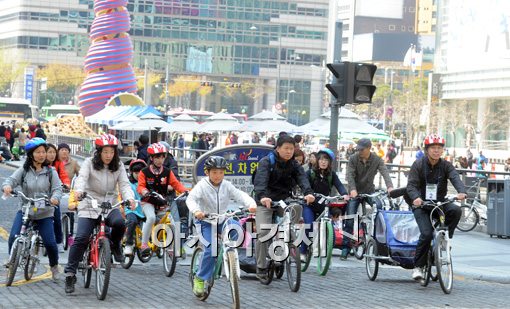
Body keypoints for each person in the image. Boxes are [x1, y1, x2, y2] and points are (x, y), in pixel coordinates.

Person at [64, 134, 135, 294]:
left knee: (120, 224)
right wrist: (79, 191)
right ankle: (70, 273)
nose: (109, 155)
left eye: (111, 152)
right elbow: (81, 179)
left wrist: (130, 198)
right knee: (82, 237)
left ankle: (115, 246)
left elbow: (124, 184)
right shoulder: (89, 163)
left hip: (109, 203)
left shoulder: (119, 166)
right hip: (89, 202)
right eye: (105, 152)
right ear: (99, 152)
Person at [187, 156, 257, 296]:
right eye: (214, 172)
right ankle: (200, 278)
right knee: (211, 250)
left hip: (222, 219)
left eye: (221, 172)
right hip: (205, 221)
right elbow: (191, 199)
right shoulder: (201, 186)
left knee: (237, 228)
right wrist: (197, 211)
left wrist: (251, 204)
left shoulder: (226, 185)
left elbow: (240, 195)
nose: (218, 176)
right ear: (207, 172)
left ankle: (229, 253)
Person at [253, 134, 315, 281]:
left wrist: (308, 193)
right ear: (278, 148)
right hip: (265, 201)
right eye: (286, 148)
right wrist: (263, 197)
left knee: (297, 207)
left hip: (283, 201)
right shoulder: (266, 162)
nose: (289, 152)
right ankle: (261, 267)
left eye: (291, 149)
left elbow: (302, 179)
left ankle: (287, 234)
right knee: (263, 233)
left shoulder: (294, 164)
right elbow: (260, 182)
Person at [406, 134, 466, 280]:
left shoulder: (446, 165)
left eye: (439, 148)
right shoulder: (418, 164)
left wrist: (461, 191)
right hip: (422, 205)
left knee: (455, 210)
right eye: (433, 148)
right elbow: (411, 185)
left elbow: (455, 178)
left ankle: (445, 239)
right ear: (427, 150)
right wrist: (416, 198)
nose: (436, 151)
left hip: (439, 203)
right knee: (426, 234)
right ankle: (418, 267)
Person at [2, 137, 63, 281]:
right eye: (38, 152)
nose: (42, 155)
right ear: (31, 154)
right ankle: (12, 261)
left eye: (43, 152)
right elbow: (11, 180)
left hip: (44, 213)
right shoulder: (24, 170)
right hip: (26, 210)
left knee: (50, 242)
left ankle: (54, 266)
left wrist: (55, 198)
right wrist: (7, 186)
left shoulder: (50, 172)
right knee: (13, 236)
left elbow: (57, 189)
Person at [343, 138, 394, 259]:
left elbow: (385, 172)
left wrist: (390, 187)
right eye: (358, 149)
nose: (359, 151)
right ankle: (346, 247)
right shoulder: (353, 158)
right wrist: (352, 189)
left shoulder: (376, 159)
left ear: (369, 148)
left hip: (369, 191)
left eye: (362, 149)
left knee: (380, 209)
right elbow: (349, 175)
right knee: (349, 218)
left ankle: (378, 242)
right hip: (355, 191)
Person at [136, 142, 188, 255]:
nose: (160, 160)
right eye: (157, 157)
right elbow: (140, 186)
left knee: (173, 223)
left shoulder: (167, 172)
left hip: (162, 202)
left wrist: (186, 191)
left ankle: (170, 246)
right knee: (151, 218)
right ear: (151, 158)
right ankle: (144, 245)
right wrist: (144, 191)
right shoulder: (144, 172)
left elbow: (176, 184)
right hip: (148, 201)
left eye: (162, 157)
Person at [300, 148, 349, 261]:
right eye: (321, 159)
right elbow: (305, 185)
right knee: (309, 226)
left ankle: (326, 250)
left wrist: (345, 194)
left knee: (330, 227)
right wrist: (308, 195)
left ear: (329, 162)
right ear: (317, 161)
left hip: (324, 205)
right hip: (310, 205)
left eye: (326, 160)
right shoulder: (310, 173)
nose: (323, 162)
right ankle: (302, 251)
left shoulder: (332, 175)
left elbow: (340, 186)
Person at [47, 143, 71, 253]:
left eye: (53, 152)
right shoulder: (40, 164)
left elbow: (64, 176)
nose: (52, 155)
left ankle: (59, 242)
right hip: (41, 194)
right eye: (49, 152)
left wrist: (66, 184)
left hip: (55, 195)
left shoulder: (58, 163)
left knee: (56, 218)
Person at [123, 159, 147, 256]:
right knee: (132, 221)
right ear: (131, 173)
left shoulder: (148, 183)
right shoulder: (129, 184)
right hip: (132, 209)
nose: (138, 175)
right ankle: (129, 244)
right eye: (135, 172)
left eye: (140, 172)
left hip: (145, 210)